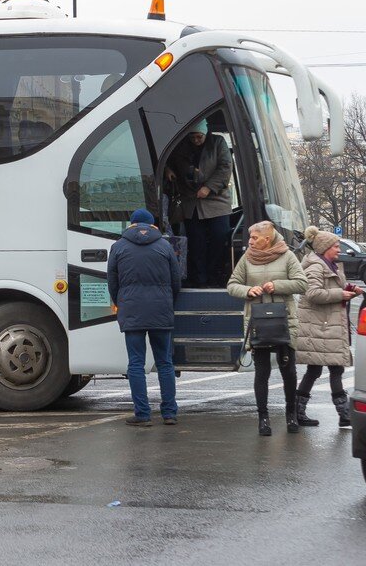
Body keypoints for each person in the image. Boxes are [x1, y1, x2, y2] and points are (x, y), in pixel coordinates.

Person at [227, 220, 308, 436]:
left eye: (255, 238)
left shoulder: (287, 256)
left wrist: (277, 285)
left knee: (288, 371)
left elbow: (302, 283)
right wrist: (247, 290)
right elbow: (232, 285)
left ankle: (291, 414)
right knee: (262, 372)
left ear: (268, 239)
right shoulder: (247, 258)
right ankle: (263, 418)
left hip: (284, 321)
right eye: (250, 238)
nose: (250, 242)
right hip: (258, 323)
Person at [107, 208, 182, 426]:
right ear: (152, 225)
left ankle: (142, 414)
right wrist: (168, 301)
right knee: (165, 363)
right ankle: (169, 413)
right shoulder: (165, 246)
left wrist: (121, 302)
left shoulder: (118, 247)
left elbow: (112, 281)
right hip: (161, 310)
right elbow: (176, 281)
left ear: (132, 224)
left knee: (136, 364)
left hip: (132, 310)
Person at [295, 226, 362, 428]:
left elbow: (332, 289)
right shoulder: (316, 267)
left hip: (326, 325)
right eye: (336, 246)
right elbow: (313, 293)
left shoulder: (329, 265)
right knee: (324, 369)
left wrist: (350, 290)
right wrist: (341, 294)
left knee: (327, 369)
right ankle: (340, 414)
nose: (339, 250)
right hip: (319, 326)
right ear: (325, 248)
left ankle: (337, 414)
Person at [165, 119, 232, 287]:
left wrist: (209, 187)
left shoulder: (218, 142)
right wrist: (168, 169)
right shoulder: (180, 146)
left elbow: (225, 167)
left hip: (216, 201)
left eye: (199, 137)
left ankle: (214, 275)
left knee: (219, 237)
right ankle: (199, 279)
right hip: (191, 201)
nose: (196, 140)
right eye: (192, 137)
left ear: (206, 133)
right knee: (196, 243)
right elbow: (166, 159)